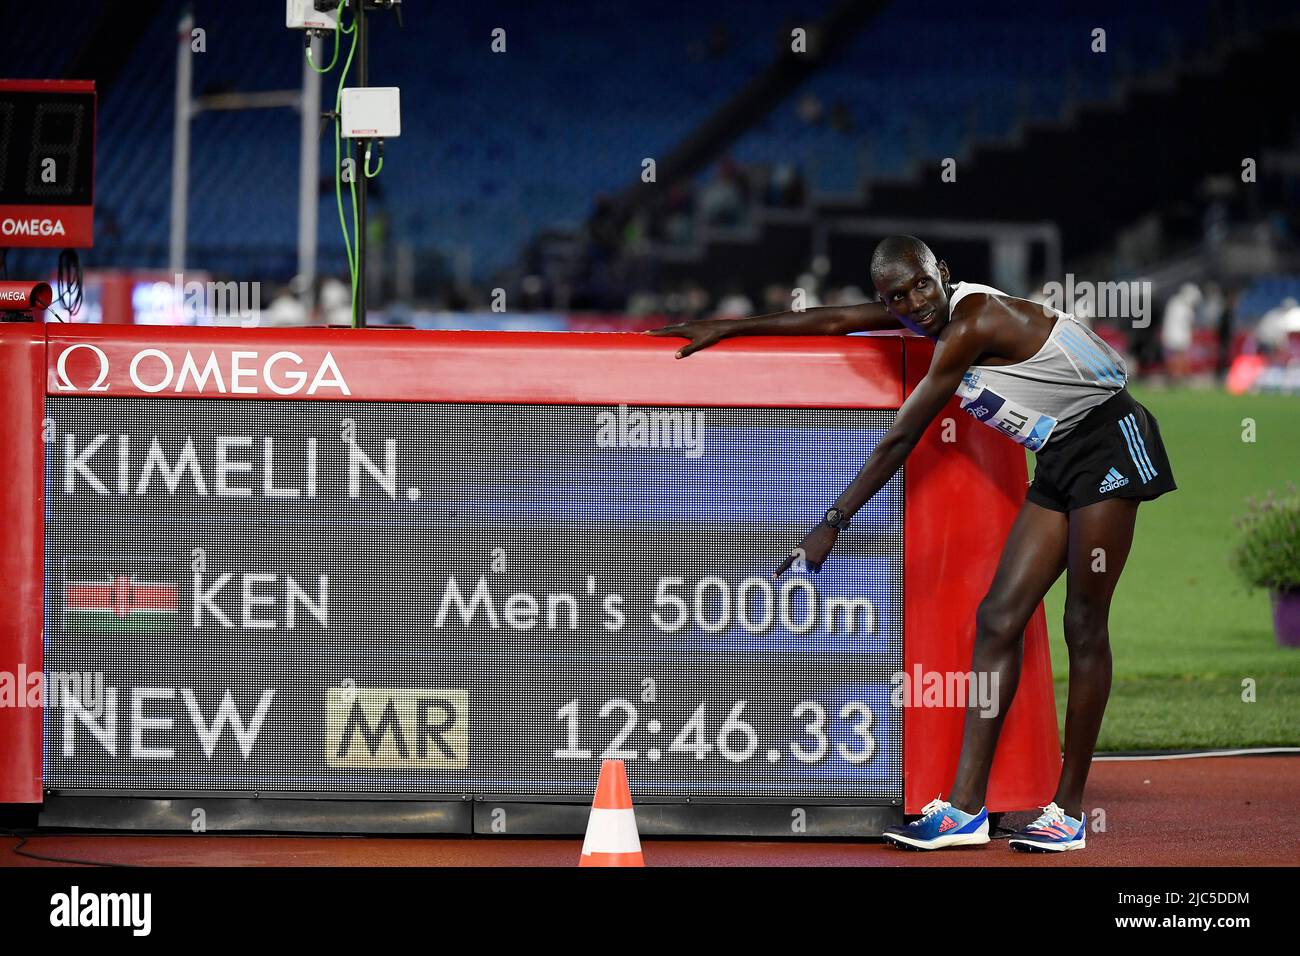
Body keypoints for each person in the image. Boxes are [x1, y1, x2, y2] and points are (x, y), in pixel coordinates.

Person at [648, 236, 1177, 853]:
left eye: (921, 286)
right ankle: (966, 811)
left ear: (942, 274)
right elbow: (837, 319)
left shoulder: (971, 322)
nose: (913, 303)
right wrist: (728, 326)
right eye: (895, 298)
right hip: (1061, 458)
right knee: (999, 617)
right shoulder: (920, 311)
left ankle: (1068, 810)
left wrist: (831, 525)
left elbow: (901, 438)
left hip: (1113, 442)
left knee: (1084, 625)